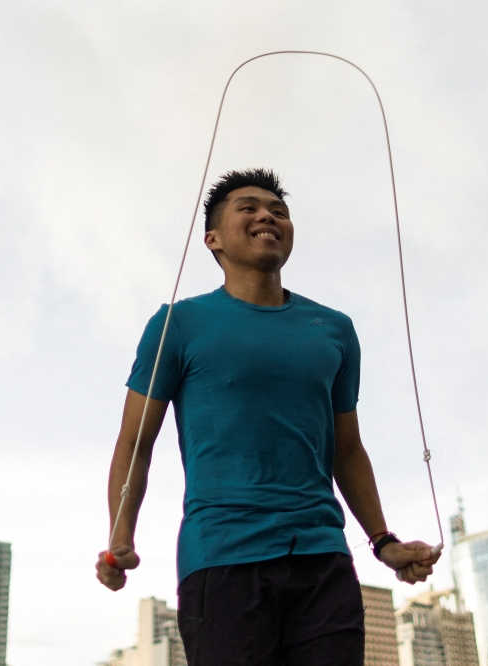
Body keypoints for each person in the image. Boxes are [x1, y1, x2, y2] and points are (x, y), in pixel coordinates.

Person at [96, 168, 442, 665]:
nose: (268, 216)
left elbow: (346, 448)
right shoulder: (177, 324)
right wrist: (120, 536)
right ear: (213, 239)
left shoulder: (335, 330)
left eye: (279, 211)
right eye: (249, 208)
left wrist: (383, 541)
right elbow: (134, 443)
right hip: (222, 557)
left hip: (324, 559)